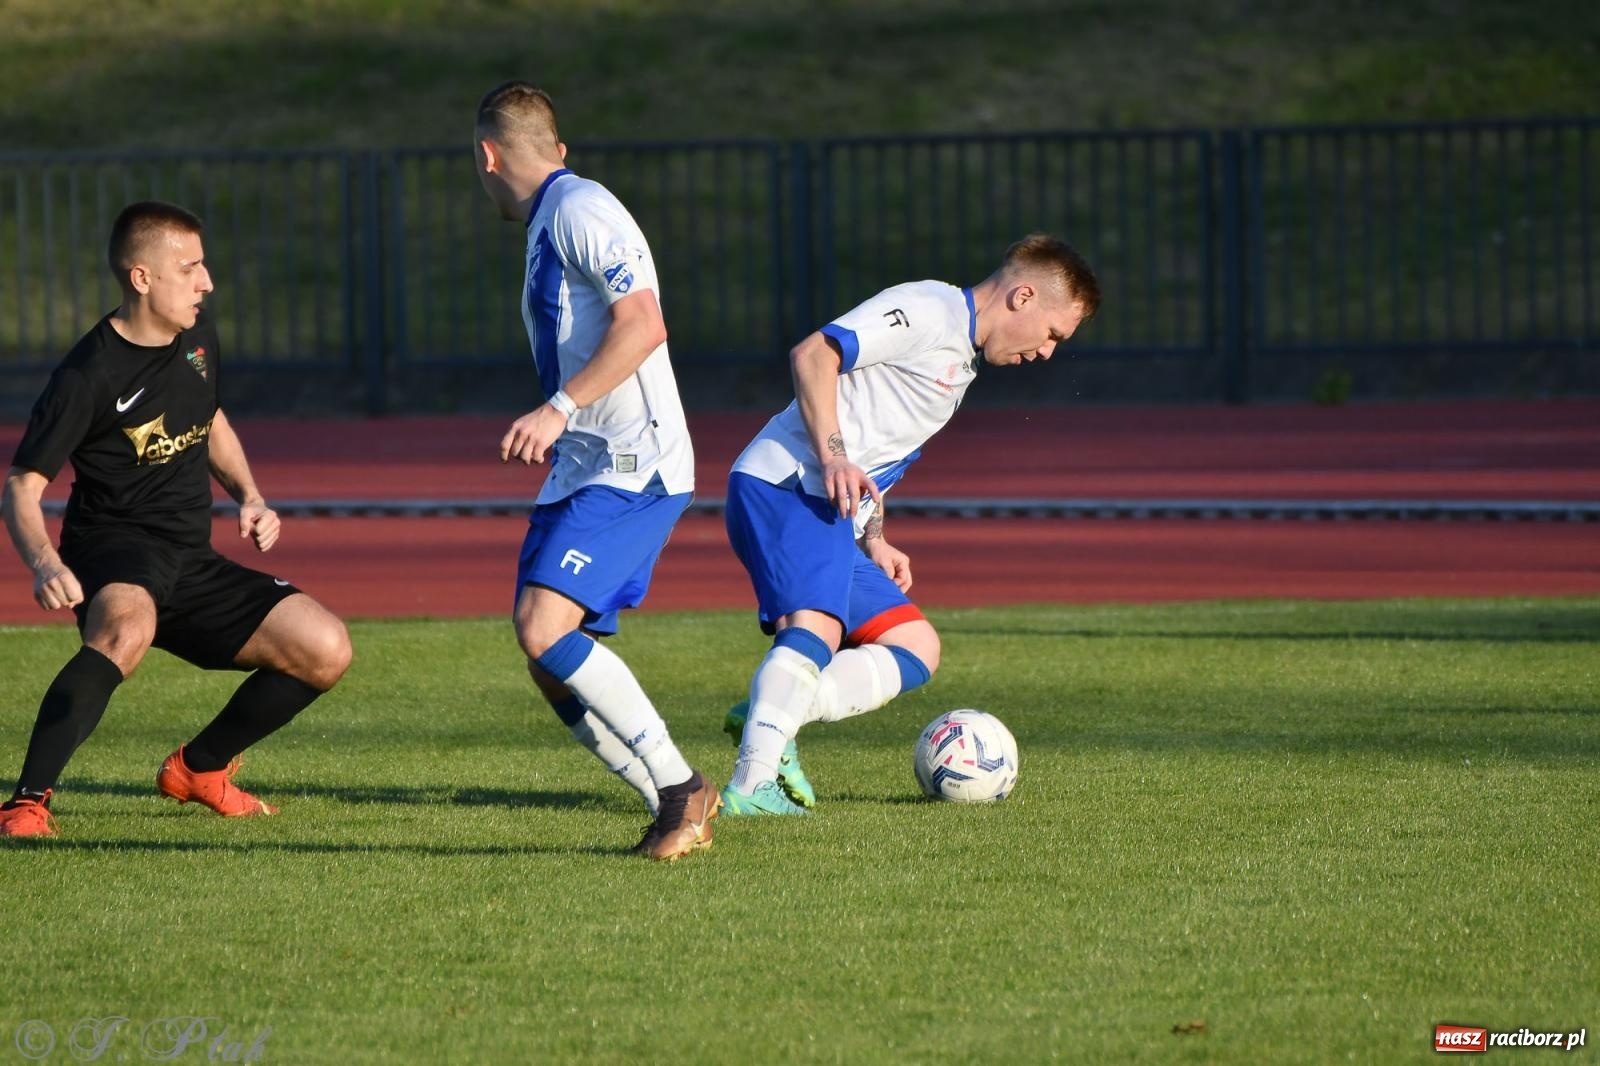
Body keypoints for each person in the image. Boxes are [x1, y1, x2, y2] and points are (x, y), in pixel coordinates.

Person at [0, 201, 352, 838]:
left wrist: (250, 495)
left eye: (203, 266)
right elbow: (22, 485)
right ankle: (26, 803)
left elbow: (209, 418)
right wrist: (45, 562)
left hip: (191, 559)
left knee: (325, 648)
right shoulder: (86, 374)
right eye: (189, 268)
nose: (206, 282)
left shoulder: (197, 337)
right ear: (142, 277)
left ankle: (199, 769)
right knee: (126, 628)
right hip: (113, 549)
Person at [720, 234, 1100, 814]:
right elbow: (814, 355)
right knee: (817, 630)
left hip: (832, 510)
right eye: (1053, 334)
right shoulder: (929, 309)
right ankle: (753, 784)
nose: (1048, 352)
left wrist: (874, 536)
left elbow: (878, 447)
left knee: (915, 646)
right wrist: (833, 458)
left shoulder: (962, 360)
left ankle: (773, 714)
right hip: (787, 484)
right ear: (1023, 296)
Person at [473, 81, 719, 860]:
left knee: (543, 628)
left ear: (487, 157)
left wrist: (557, 408)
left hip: (633, 461)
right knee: (549, 660)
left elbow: (643, 325)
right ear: (557, 148)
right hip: (584, 466)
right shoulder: (555, 215)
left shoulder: (580, 209)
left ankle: (681, 791)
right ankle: (671, 802)